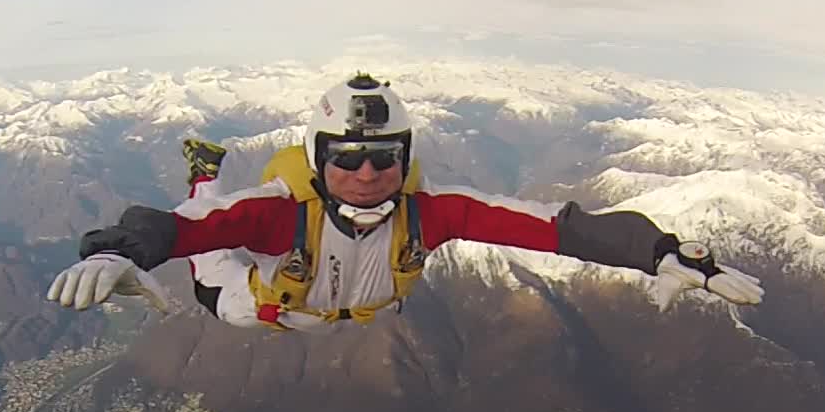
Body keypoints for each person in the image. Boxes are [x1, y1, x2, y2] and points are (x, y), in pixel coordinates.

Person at [46, 73, 763, 329]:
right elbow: (187, 230)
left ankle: (205, 173)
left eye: (383, 157)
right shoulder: (279, 209)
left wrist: (658, 251)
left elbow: (553, 229)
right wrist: (118, 249)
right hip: (269, 310)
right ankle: (204, 168)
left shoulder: (435, 210)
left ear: (406, 158)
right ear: (319, 157)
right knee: (213, 278)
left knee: (221, 256)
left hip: (346, 315)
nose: (365, 173)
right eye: (346, 157)